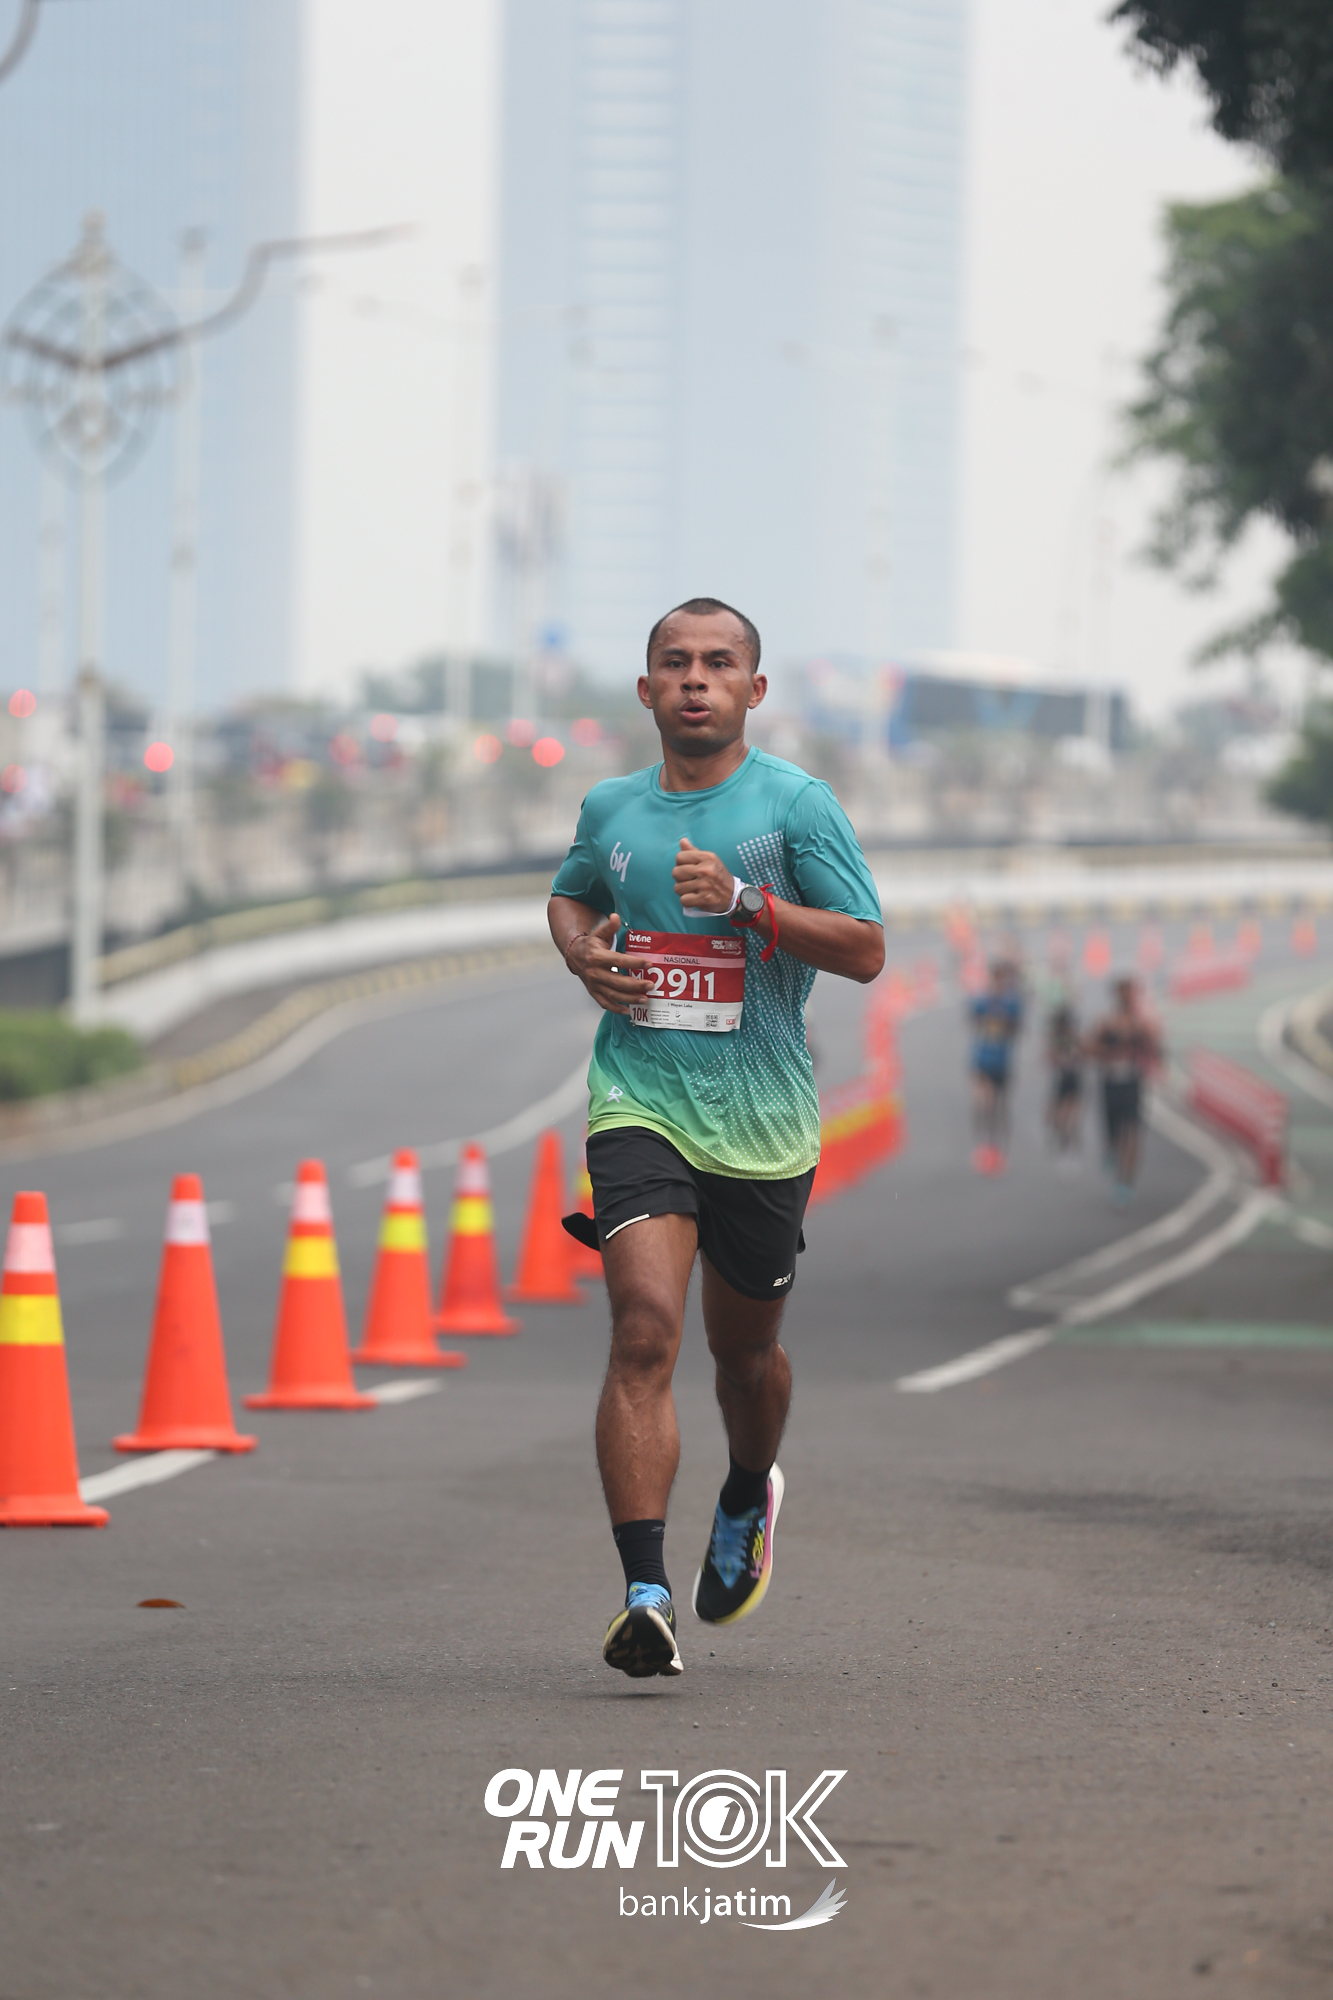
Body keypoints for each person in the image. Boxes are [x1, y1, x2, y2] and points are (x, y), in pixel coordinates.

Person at [548, 597, 885, 1678]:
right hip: (639, 1098)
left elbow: (866, 948)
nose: (696, 678)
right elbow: (569, 897)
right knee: (644, 1329)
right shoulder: (611, 806)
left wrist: (749, 903)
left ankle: (747, 1490)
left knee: (743, 1358)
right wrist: (581, 955)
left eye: (719, 663)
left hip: (765, 1119)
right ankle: (645, 1594)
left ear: (754, 688)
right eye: (676, 662)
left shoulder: (794, 806)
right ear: (646, 687)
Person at [1085, 975, 1162, 1203]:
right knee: (1114, 1136)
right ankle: (1111, 1153)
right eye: (1123, 992)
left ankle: (1125, 1182)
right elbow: (1089, 1049)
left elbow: (1155, 1049)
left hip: (1132, 1084)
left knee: (1133, 1135)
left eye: (1131, 993)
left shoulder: (1141, 1024)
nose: (1127, 997)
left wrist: (1150, 1054)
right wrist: (1111, 1053)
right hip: (1110, 1084)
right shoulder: (1106, 1022)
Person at [968, 959, 1023, 1173]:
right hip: (983, 1059)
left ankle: (1001, 1148)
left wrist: (1005, 1020)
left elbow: (1017, 1029)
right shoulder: (982, 1000)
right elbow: (973, 1020)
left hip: (1002, 1061)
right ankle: (984, 1145)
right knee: (984, 1103)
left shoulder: (1012, 1003)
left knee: (1001, 1106)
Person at [1046, 1000, 1083, 1154]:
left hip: (1067, 1074)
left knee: (1065, 1106)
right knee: (1070, 1106)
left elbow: (1053, 1057)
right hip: (1071, 1074)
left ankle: (1065, 1131)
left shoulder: (1060, 1036)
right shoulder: (1071, 1035)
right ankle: (1067, 1132)